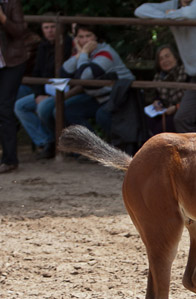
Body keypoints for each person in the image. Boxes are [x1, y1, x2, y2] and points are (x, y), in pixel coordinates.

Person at [135, 0, 196, 133]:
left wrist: (170, 15)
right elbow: (140, 10)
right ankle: (194, 152)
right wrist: (169, 15)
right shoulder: (172, 6)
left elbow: (188, 14)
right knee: (182, 118)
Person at [60, 24, 135, 134]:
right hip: (99, 97)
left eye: (88, 36)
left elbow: (84, 77)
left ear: (96, 37)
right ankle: (87, 148)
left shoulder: (106, 53)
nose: (84, 40)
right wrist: (81, 54)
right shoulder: (84, 53)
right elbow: (63, 73)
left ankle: (117, 147)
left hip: (121, 98)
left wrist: (83, 53)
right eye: (80, 37)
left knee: (102, 115)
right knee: (69, 109)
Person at [14, 17, 72, 159]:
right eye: (46, 27)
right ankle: (46, 141)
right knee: (20, 106)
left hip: (64, 89)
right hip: (45, 89)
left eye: (53, 26)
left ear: (60, 28)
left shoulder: (69, 44)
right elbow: (37, 73)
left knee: (43, 108)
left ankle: (57, 143)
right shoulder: (43, 46)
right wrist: (39, 94)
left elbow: (66, 73)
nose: (50, 30)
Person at [0, 0, 28, 174]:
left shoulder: (11, 3)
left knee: (4, 107)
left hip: (12, 62)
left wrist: (3, 18)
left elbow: (19, 32)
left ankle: (10, 159)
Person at [146, 44, 188, 136]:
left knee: (163, 127)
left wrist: (176, 107)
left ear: (175, 58)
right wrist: (156, 102)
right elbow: (156, 95)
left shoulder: (185, 73)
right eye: (161, 59)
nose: (165, 61)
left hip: (182, 109)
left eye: (167, 56)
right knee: (148, 120)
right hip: (165, 110)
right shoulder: (158, 77)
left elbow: (191, 97)